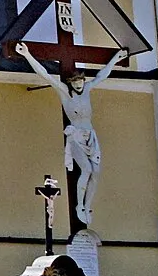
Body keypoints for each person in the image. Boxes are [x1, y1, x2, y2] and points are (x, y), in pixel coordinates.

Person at [17, 41, 123, 232]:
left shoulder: (88, 89)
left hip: (91, 136)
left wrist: (115, 59)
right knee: (87, 170)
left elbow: (102, 75)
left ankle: (87, 205)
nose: (79, 84)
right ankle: (79, 206)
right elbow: (45, 74)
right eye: (75, 81)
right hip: (75, 138)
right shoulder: (65, 93)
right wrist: (27, 55)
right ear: (70, 83)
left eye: (81, 81)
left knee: (96, 173)